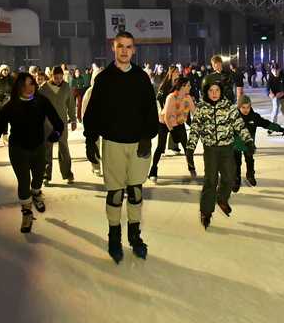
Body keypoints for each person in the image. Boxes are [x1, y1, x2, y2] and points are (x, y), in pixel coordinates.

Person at [83, 31, 158, 264]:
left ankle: (134, 236)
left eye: (128, 47)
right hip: (113, 144)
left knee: (135, 190)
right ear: (113, 48)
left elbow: (150, 110)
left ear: (134, 50)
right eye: (120, 46)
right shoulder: (104, 79)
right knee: (115, 192)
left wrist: (147, 136)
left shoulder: (141, 78)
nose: (124, 51)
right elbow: (92, 112)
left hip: (137, 144)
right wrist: (90, 139)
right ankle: (114, 236)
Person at [0, 73, 64, 233]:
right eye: (24, 85)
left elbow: (57, 120)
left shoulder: (41, 101)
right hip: (18, 149)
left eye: (31, 84)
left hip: (38, 147)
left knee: (38, 178)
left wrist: (57, 131)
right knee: (23, 181)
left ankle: (36, 193)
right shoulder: (10, 106)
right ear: (18, 88)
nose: (28, 88)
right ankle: (27, 213)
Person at [187, 82, 254, 229]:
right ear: (206, 91)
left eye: (217, 90)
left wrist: (248, 141)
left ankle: (222, 198)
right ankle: (206, 211)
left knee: (230, 177)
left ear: (221, 91)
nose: (214, 93)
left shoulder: (229, 107)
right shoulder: (202, 108)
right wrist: (190, 148)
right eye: (211, 90)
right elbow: (195, 128)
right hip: (210, 149)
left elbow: (239, 124)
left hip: (226, 148)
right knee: (210, 180)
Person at [149, 77, 197, 183]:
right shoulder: (171, 97)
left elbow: (195, 113)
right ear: (182, 87)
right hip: (164, 123)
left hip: (179, 123)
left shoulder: (188, 98)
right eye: (188, 85)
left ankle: (192, 168)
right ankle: (153, 170)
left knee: (187, 146)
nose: (190, 87)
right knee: (160, 147)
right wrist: (173, 131)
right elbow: (166, 117)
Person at [234, 94, 284, 192]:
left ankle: (250, 175)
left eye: (248, 107)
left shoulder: (254, 117)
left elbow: (266, 124)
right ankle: (236, 179)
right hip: (235, 145)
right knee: (236, 163)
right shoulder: (234, 117)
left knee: (250, 161)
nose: (246, 110)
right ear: (239, 107)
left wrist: (280, 129)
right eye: (243, 107)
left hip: (248, 145)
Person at [39, 66, 77, 185]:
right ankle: (46, 175)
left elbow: (71, 104)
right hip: (47, 123)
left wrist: (73, 119)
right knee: (47, 149)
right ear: (51, 76)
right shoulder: (44, 88)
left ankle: (67, 174)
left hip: (62, 123)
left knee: (64, 148)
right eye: (56, 78)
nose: (58, 80)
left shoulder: (66, 87)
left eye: (61, 78)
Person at [81, 67, 103, 177]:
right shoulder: (89, 92)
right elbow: (84, 110)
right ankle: (96, 166)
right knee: (95, 145)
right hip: (93, 124)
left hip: (106, 124)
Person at [266, 63, 284, 132]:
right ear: (271, 70)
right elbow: (267, 87)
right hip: (276, 97)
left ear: (279, 70)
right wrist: (269, 93)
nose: (275, 72)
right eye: (273, 70)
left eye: (276, 70)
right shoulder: (270, 77)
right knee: (275, 110)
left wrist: (283, 92)